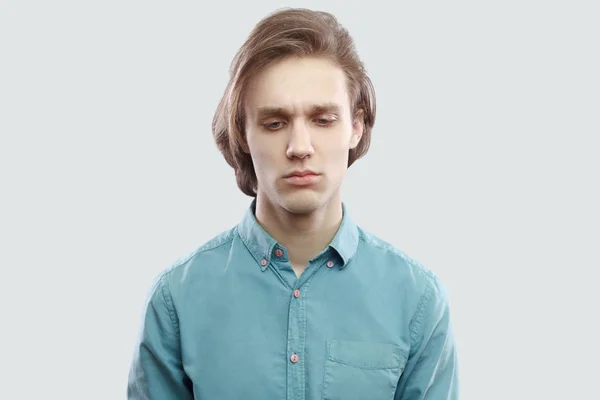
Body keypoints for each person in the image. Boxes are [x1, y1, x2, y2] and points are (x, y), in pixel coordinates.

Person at [127, 7, 459, 400]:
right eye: (274, 123)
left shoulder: (418, 299)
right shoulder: (176, 299)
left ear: (355, 126)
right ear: (243, 134)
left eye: (322, 119)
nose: (299, 147)